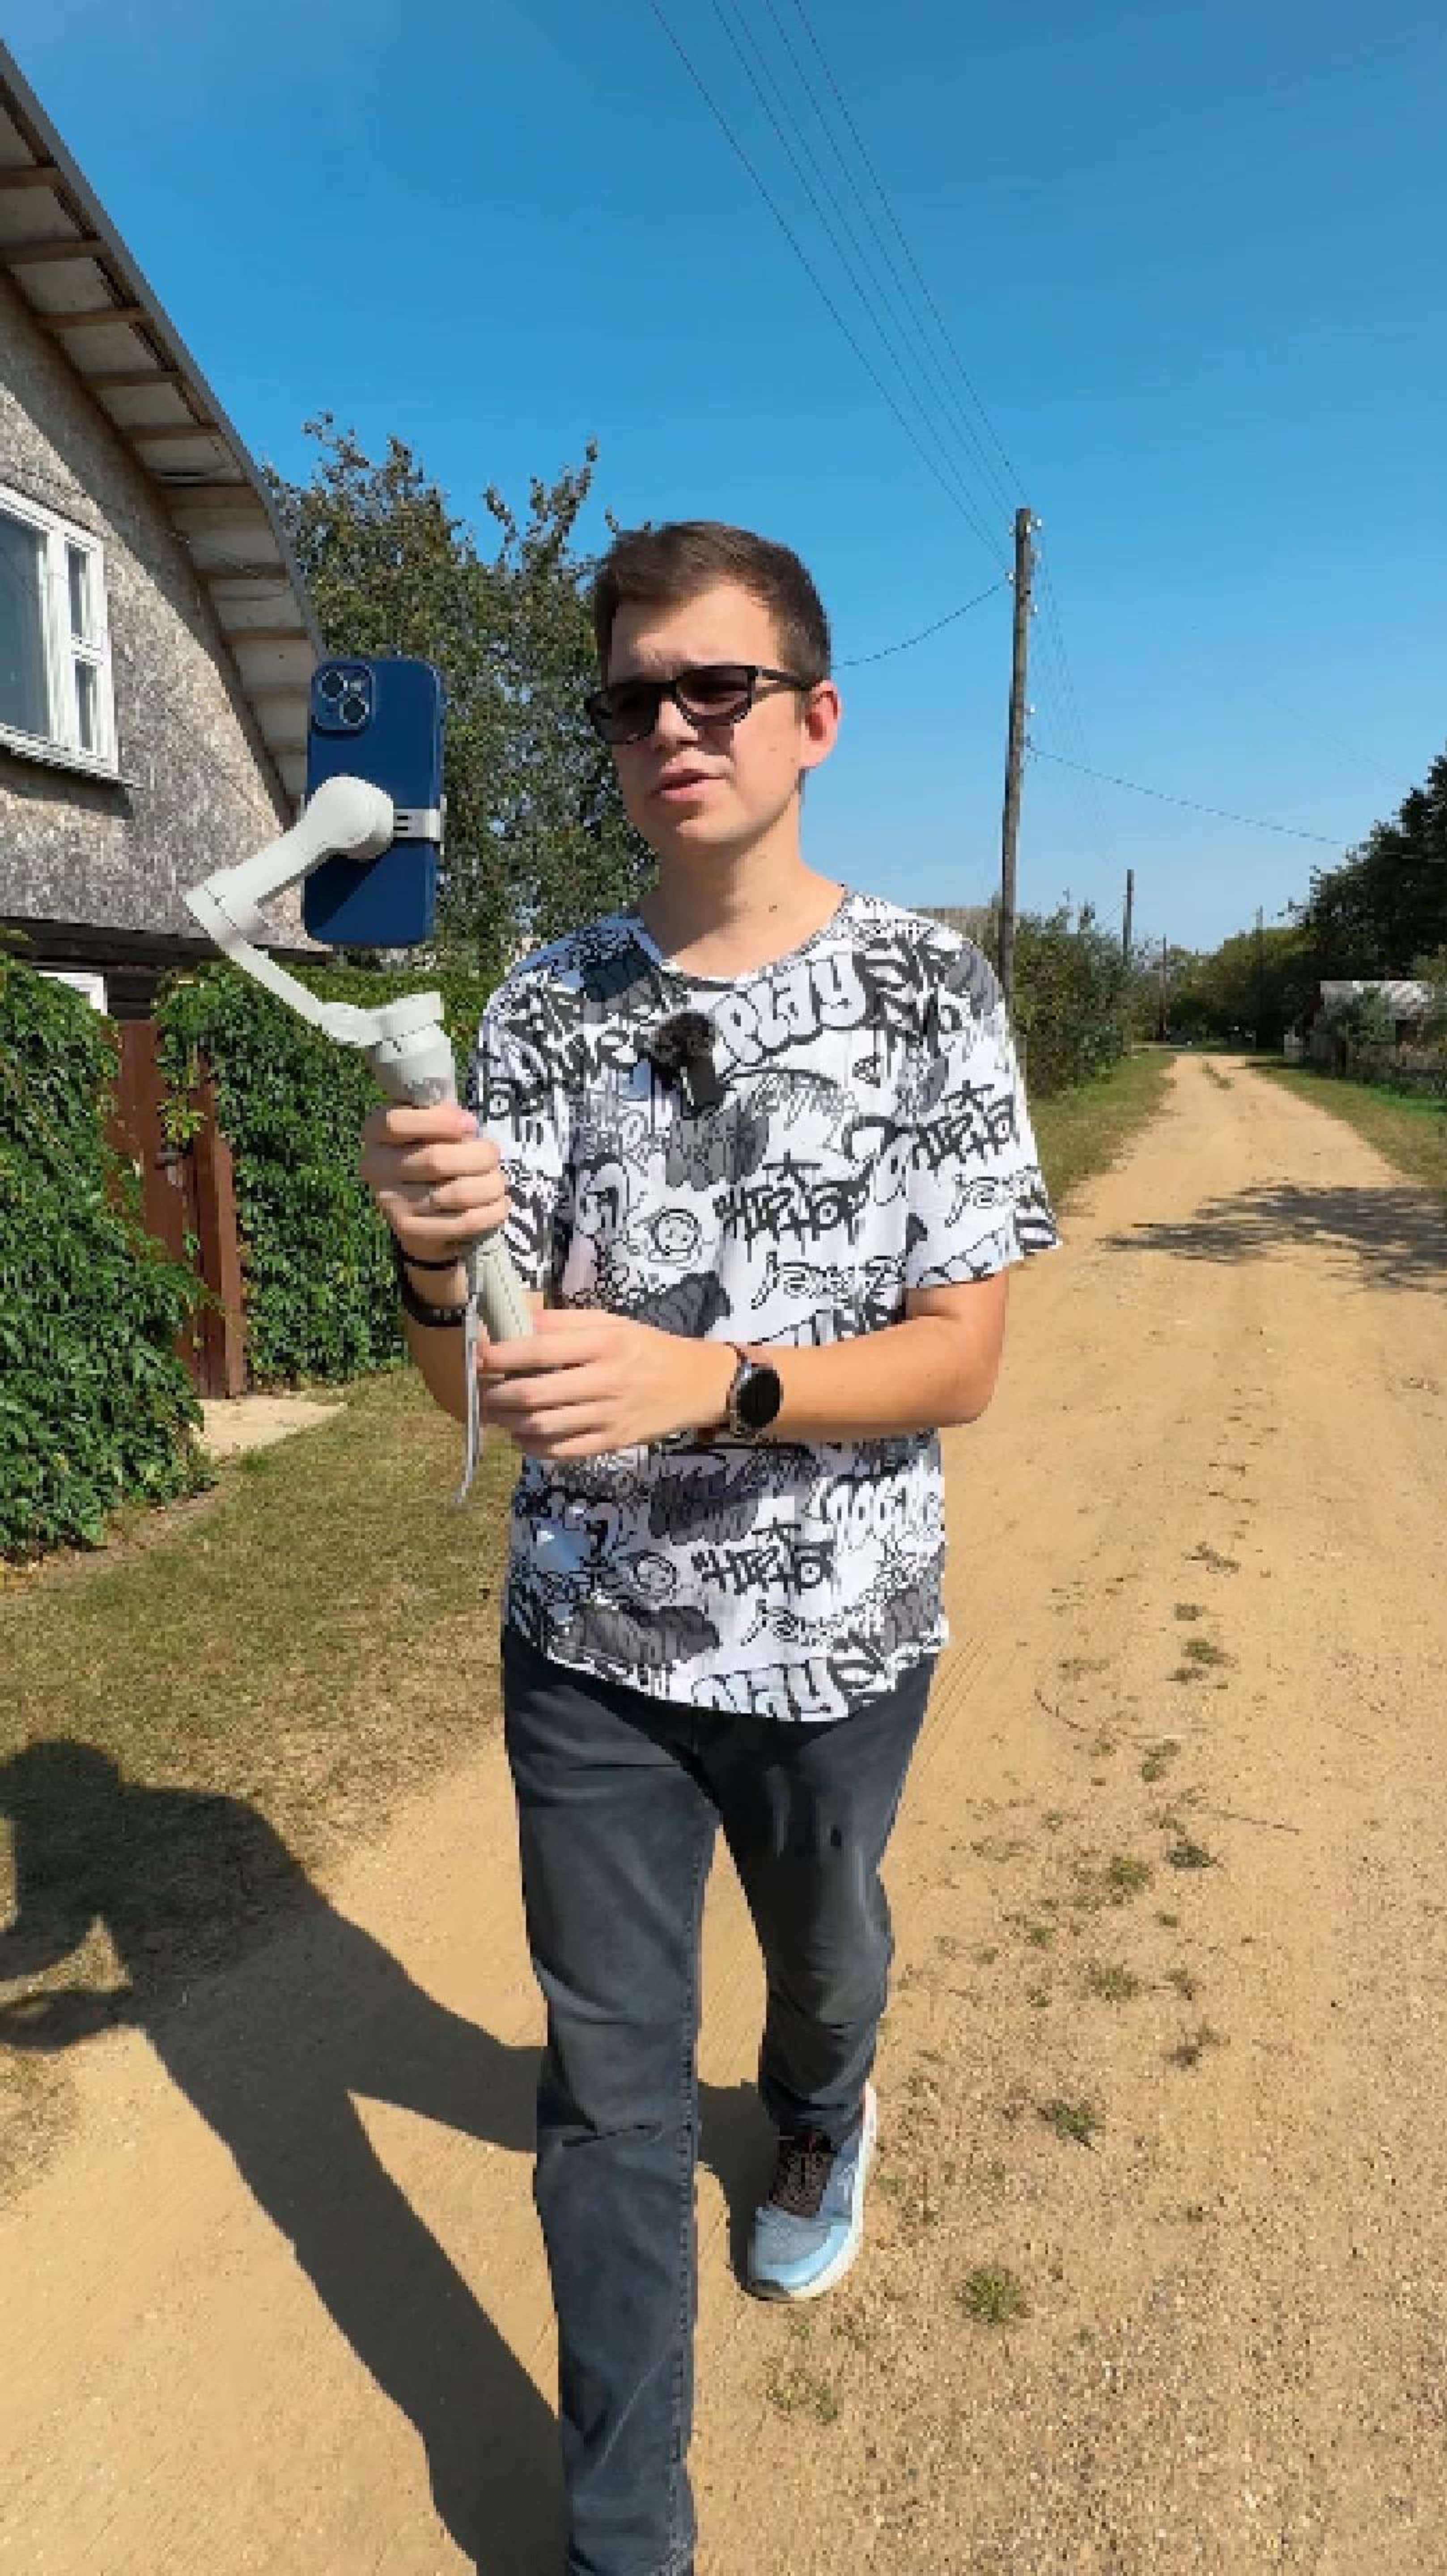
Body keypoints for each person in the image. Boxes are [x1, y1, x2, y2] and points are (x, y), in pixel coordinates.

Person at [360, 520, 1059, 2576]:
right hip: (587, 1646)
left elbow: (959, 1363)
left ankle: (823, 2111)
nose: (670, 726)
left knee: (824, 1967)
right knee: (607, 2099)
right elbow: (459, 1388)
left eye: (715, 687)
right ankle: (625, 2541)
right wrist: (427, 1257)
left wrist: (711, 1383)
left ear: (811, 719)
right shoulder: (540, 1003)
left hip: (838, 1641)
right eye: (630, 698)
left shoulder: (928, 990)